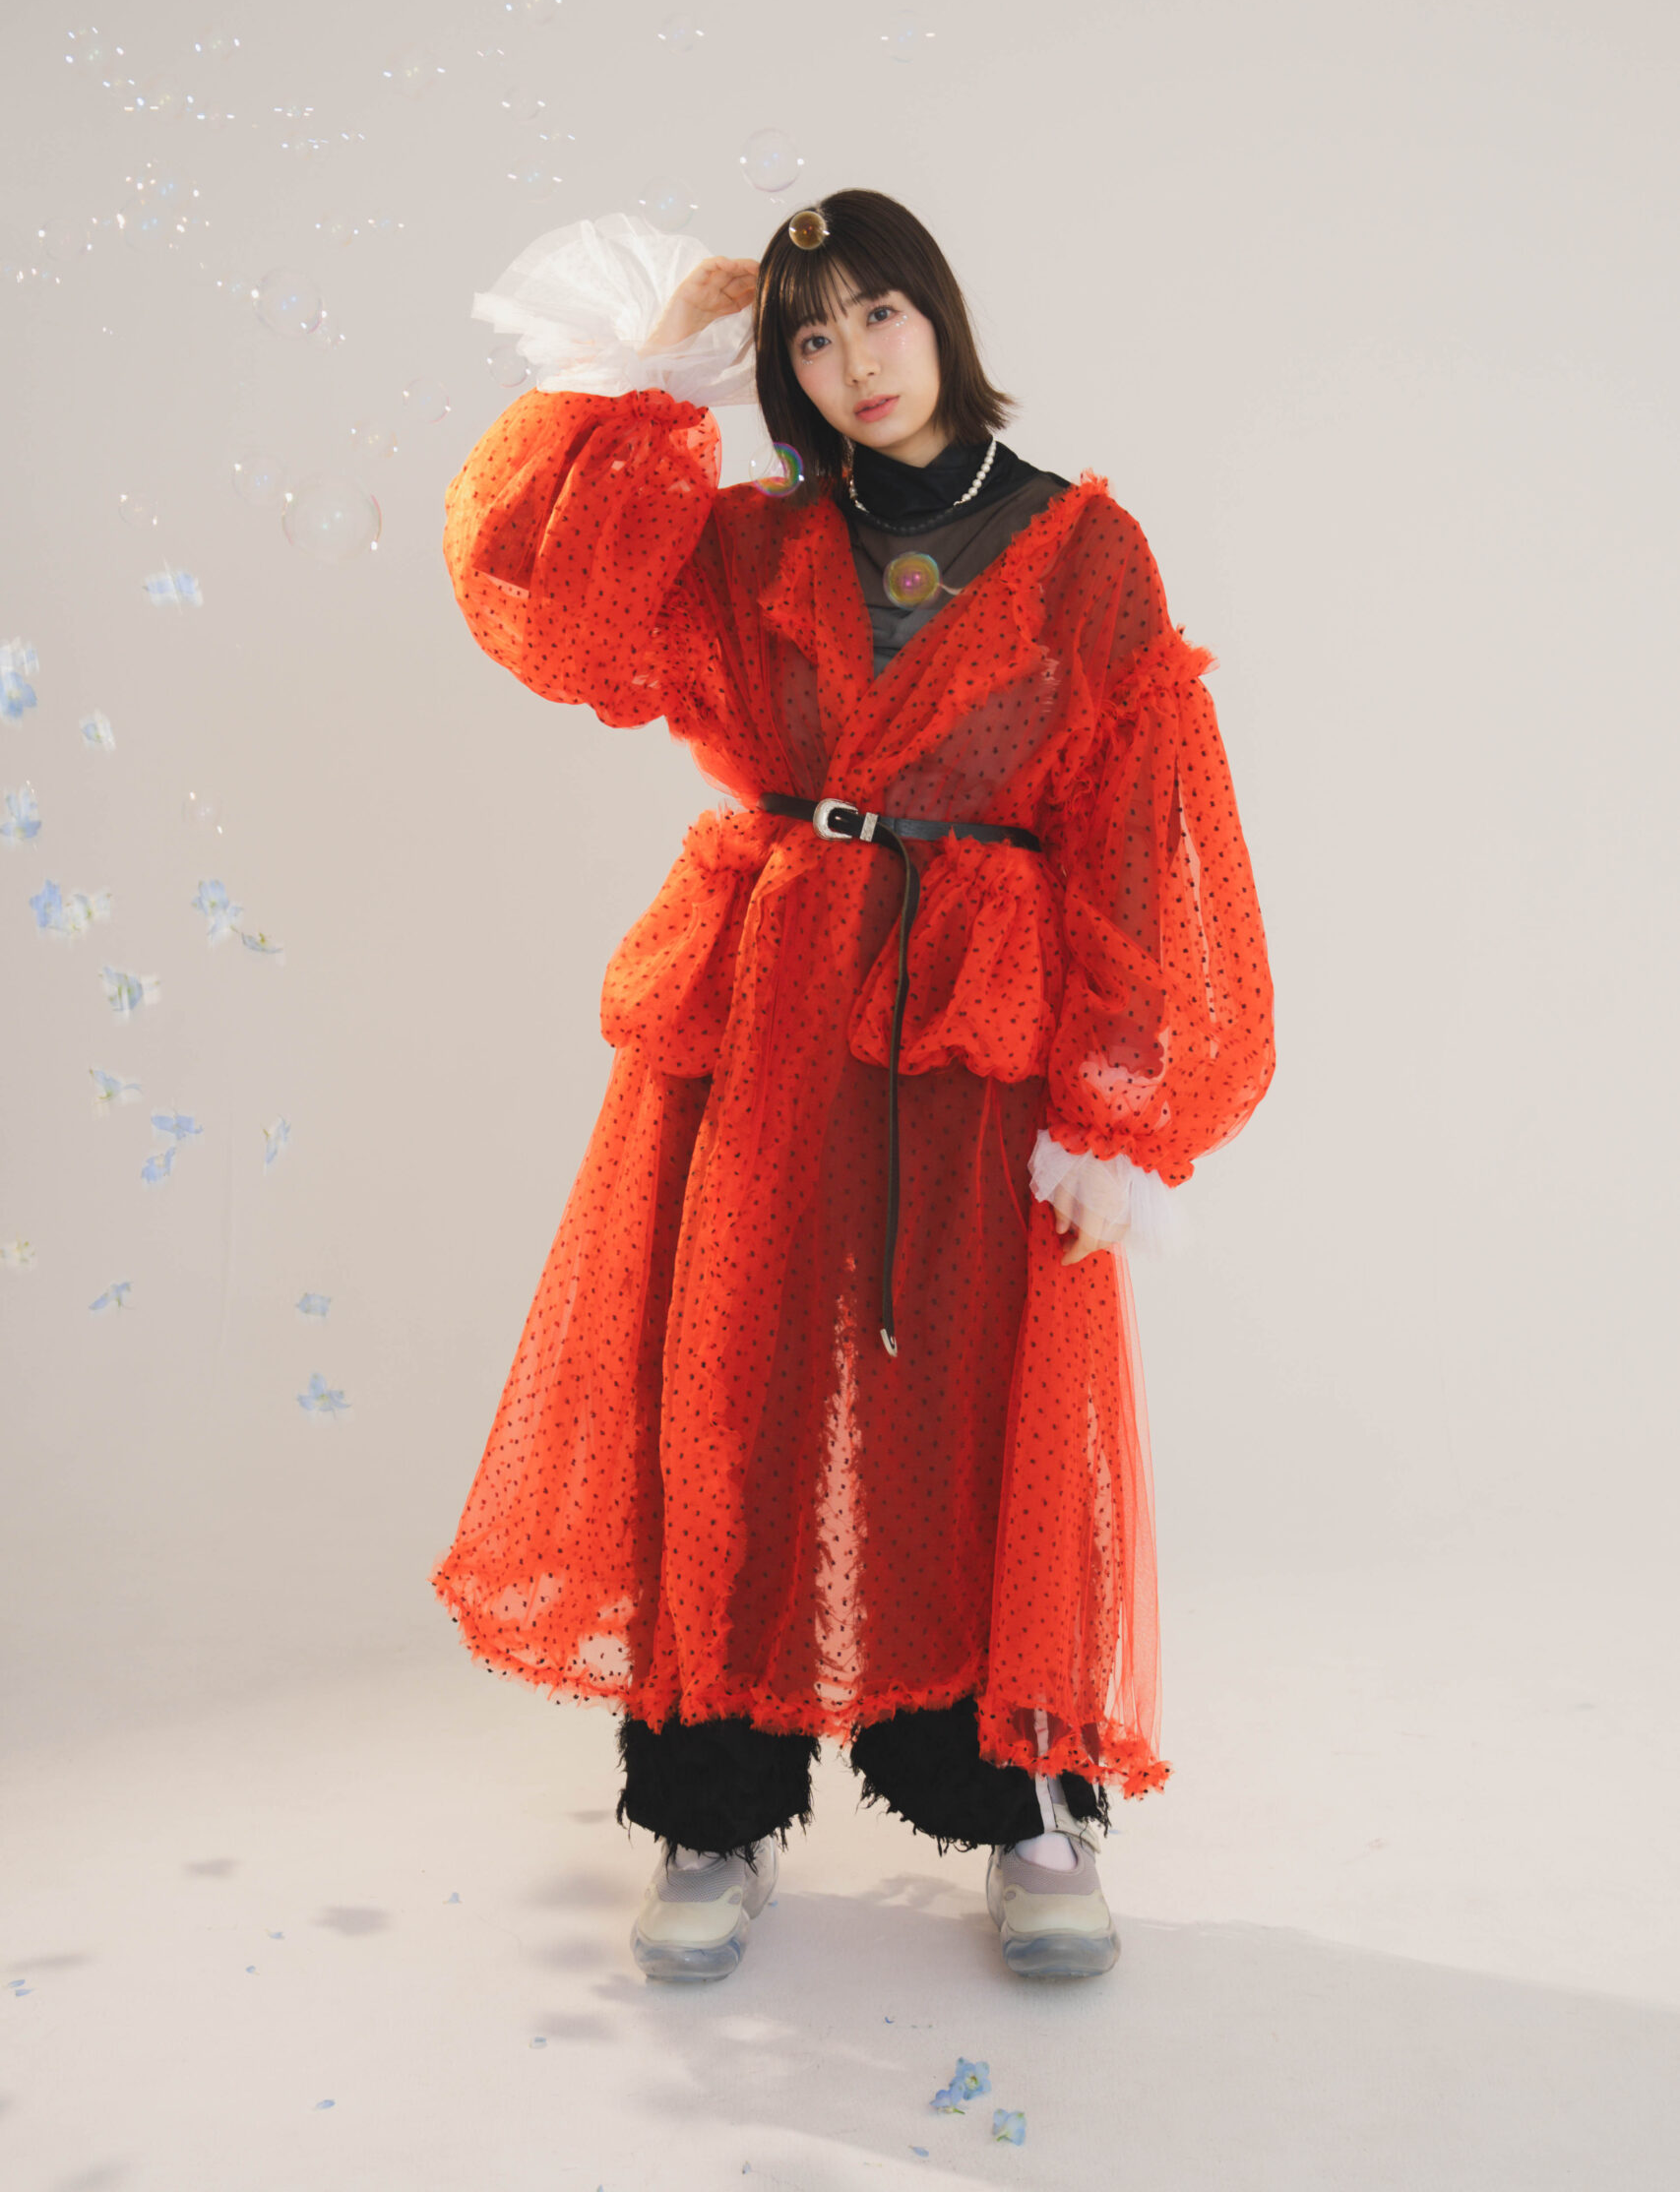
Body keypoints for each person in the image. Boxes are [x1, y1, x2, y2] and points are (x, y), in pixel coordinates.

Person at [430, 190, 1276, 1983]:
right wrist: (648, 366)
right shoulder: (748, 543)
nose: (854, 363)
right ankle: (712, 1805)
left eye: (879, 315)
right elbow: (550, 605)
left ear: (941, 315)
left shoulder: (1083, 551)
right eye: (808, 338)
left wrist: (1116, 1115)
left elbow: (1143, 834)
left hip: (969, 1036)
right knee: (725, 1392)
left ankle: (1020, 1801)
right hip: (765, 1013)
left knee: (968, 1404)